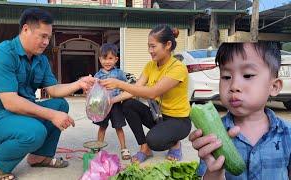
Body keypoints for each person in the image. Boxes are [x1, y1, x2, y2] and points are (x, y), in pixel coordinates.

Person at [0, 8, 94, 180]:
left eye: (48, 37)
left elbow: (53, 90)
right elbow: (11, 103)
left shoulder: (41, 60)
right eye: (42, 36)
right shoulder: (0, 55)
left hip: (18, 115)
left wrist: (79, 83)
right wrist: (52, 115)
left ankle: (40, 156)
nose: (46, 42)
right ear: (25, 30)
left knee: (60, 104)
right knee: (35, 131)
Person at [189, 42, 291, 180]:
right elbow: (208, 174)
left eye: (248, 75)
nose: (234, 86)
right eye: (226, 77)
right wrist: (214, 173)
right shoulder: (212, 135)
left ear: (274, 86)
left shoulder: (288, 134)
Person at [100, 24, 192, 163]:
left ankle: (175, 143)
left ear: (167, 45)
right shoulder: (150, 66)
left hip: (178, 121)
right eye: (149, 46)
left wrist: (119, 83)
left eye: (153, 46)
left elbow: (152, 93)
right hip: (158, 116)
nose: (150, 50)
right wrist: (110, 101)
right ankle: (144, 148)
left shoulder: (178, 68)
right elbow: (135, 88)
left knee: (154, 140)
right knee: (128, 105)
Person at [93, 43, 131, 160]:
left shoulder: (119, 73)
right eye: (104, 58)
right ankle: (98, 148)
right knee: (102, 127)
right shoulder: (97, 76)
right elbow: (94, 91)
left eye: (110, 58)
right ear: (100, 59)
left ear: (116, 59)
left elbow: (127, 87)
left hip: (116, 106)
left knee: (119, 127)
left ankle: (124, 149)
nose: (107, 61)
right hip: (103, 106)